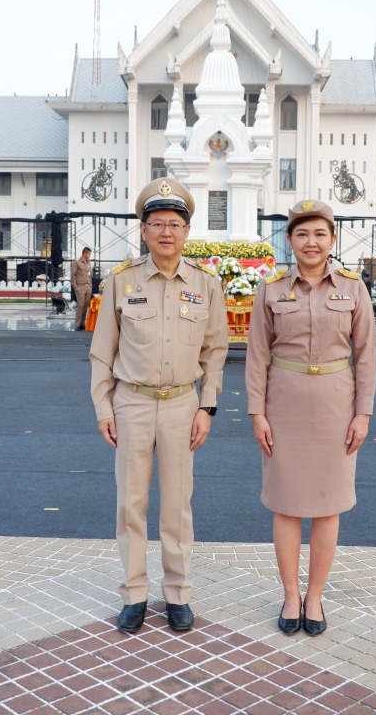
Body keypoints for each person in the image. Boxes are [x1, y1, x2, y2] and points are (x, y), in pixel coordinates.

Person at [90, 177, 228, 634]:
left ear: (187, 231)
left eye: (175, 223)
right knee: (130, 505)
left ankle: (177, 593)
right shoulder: (122, 281)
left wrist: (207, 408)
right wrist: (103, 407)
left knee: (177, 506)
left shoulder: (206, 285)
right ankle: (133, 594)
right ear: (143, 230)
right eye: (157, 223)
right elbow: (102, 351)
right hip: (131, 402)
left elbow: (215, 352)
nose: (166, 232)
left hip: (181, 407)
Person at [245, 200, 376, 636]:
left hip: (337, 407)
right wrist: (257, 412)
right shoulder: (271, 288)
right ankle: (289, 593)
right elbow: (258, 356)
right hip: (285, 406)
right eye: (302, 234)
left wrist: (363, 413)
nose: (311, 242)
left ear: (332, 239)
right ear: (290, 241)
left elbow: (366, 358)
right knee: (285, 505)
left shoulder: (354, 289)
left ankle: (315, 595)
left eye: (320, 233)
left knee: (327, 505)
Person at [71, 247, 92, 330]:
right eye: (89, 254)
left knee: (86, 306)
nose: (90, 256)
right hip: (80, 286)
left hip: (88, 287)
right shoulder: (77, 262)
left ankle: (83, 324)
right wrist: (75, 286)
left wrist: (91, 285)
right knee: (81, 305)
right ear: (85, 253)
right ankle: (77, 324)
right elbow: (73, 275)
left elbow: (90, 275)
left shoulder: (88, 263)